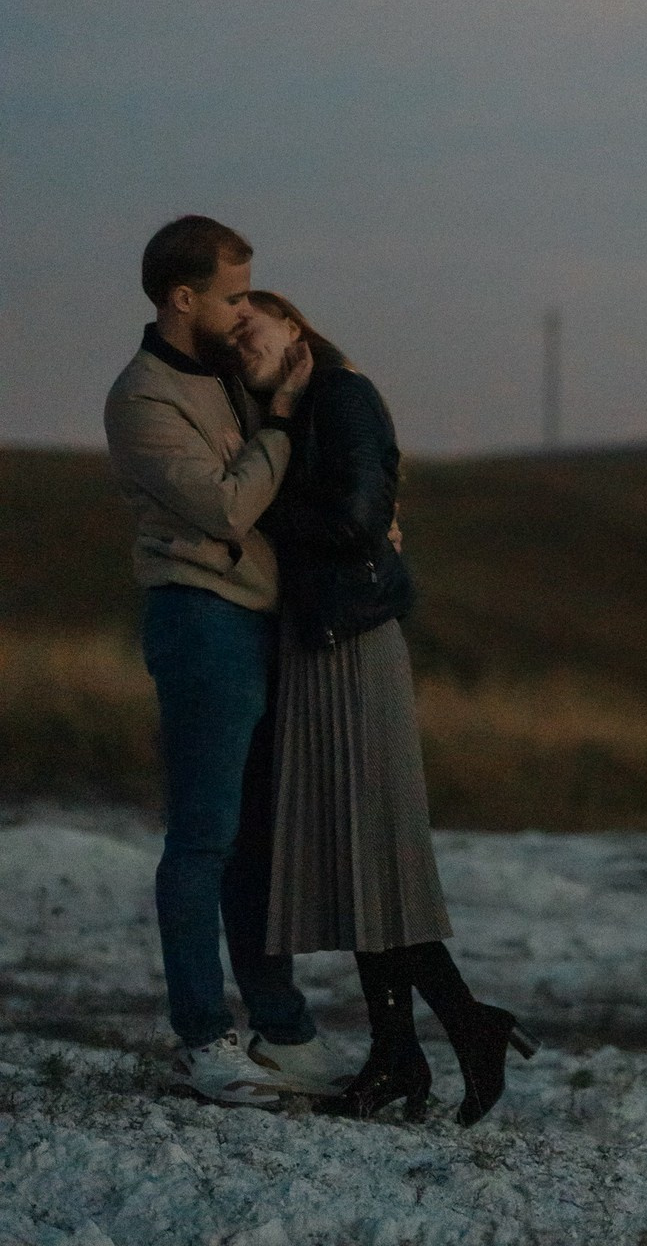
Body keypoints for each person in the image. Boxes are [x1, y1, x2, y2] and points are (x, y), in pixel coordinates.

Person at [235, 290, 537, 1125]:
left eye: (249, 326)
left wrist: (257, 507)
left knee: (373, 853)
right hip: (320, 643)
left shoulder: (342, 394)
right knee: (356, 859)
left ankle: (456, 1029)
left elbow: (358, 517)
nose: (239, 344)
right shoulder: (298, 408)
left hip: (354, 643)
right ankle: (407, 1048)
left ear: (292, 325)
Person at [104, 216, 350, 1108]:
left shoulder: (231, 377)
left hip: (263, 622)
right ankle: (205, 1042)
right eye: (233, 295)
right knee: (203, 837)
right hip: (200, 620)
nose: (247, 310)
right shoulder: (142, 399)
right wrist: (279, 418)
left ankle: (283, 1031)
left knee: (256, 842)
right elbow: (228, 507)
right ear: (183, 297)